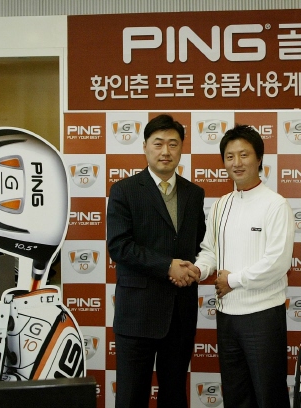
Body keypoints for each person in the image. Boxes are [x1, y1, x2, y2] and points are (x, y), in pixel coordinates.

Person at [107, 114, 206, 408]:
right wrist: (167, 266)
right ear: (145, 147)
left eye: (173, 144)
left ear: (181, 149)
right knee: (131, 397)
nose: (166, 151)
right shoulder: (124, 190)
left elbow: (199, 243)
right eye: (158, 143)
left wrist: (195, 268)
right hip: (137, 314)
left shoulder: (194, 194)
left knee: (174, 395)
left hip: (180, 313)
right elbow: (119, 246)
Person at [193, 124, 295, 408]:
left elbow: (277, 262)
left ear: (259, 158)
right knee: (236, 397)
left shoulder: (276, 205)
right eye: (229, 156)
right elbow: (210, 251)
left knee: (269, 396)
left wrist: (233, 280)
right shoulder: (221, 205)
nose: (236, 163)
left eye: (244, 155)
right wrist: (198, 270)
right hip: (227, 316)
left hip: (263, 316)